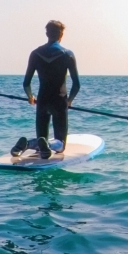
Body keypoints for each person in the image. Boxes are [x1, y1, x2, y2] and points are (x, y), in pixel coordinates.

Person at [11, 20, 80, 159]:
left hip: (42, 101)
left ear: (47, 33)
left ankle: (28, 144)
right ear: (61, 35)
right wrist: (69, 100)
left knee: (42, 140)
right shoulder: (68, 54)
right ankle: (46, 144)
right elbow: (76, 84)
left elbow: (26, 83)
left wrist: (31, 97)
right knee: (60, 146)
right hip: (59, 101)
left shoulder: (35, 53)